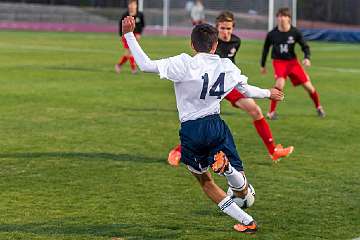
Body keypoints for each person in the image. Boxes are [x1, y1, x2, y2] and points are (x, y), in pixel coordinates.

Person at [122, 16, 285, 233]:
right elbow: (246, 90)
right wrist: (268, 93)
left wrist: (129, 34)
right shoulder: (226, 65)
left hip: (191, 130)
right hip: (216, 125)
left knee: (206, 183)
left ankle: (247, 221)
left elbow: (145, 65)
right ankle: (228, 170)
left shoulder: (184, 63)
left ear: (192, 44)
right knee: (242, 184)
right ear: (216, 46)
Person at [168, 11, 294, 166]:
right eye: (222, 28)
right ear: (216, 28)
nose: (226, 32)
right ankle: (178, 151)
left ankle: (273, 151)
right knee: (202, 120)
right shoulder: (210, 44)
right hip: (208, 87)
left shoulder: (236, 42)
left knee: (255, 110)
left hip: (227, 84)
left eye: (229, 28)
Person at [260, 7, 325, 120]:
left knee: (309, 87)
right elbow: (265, 49)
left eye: (284, 16)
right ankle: (271, 112)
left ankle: (319, 107)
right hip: (279, 62)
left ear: (289, 18)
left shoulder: (295, 32)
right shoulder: (272, 34)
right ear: (277, 18)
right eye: (279, 16)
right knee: (279, 84)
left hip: (293, 63)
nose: (281, 18)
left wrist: (307, 58)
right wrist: (263, 65)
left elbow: (305, 46)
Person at [115, 0, 145, 74]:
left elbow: (142, 25)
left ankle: (119, 65)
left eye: (133, 4)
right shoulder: (125, 15)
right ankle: (133, 69)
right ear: (128, 6)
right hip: (126, 35)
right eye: (130, 4)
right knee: (130, 52)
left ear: (136, 5)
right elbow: (120, 25)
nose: (132, 6)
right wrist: (121, 34)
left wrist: (139, 34)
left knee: (129, 53)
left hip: (135, 36)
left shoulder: (140, 15)